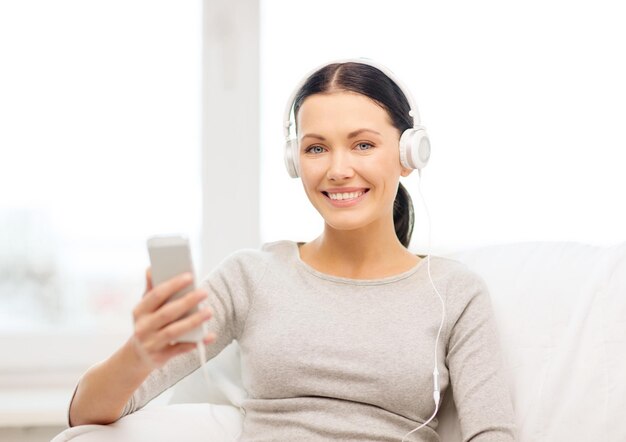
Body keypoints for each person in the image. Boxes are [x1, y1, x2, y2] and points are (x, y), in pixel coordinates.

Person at [67, 59, 516, 441]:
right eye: (316, 148)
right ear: (294, 160)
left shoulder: (454, 293)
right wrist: (141, 353)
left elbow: (492, 434)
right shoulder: (251, 276)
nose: (338, 169)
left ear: (407, 154)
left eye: (363, 144)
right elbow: (84, 415)